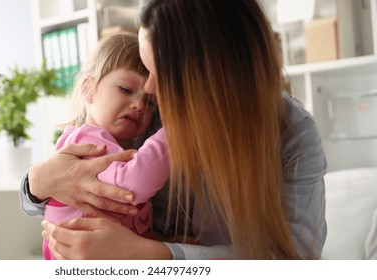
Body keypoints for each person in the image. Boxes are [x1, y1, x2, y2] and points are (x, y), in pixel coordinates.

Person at [21, 0, 327, 260]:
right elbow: (55, 189)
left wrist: (150, 254)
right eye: (144, 70)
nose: (149, 91)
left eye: (161, 74)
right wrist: (37, 182)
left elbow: (294, 256)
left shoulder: (292, 136)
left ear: (212, 73)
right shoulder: (141, 117)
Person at [40, 33, 170, 260]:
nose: (139, 105)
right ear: (89, 88)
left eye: (150, 102)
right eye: (126, 90)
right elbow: (132, 185)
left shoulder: (117, 144)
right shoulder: (86, 141)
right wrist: (175, 134)